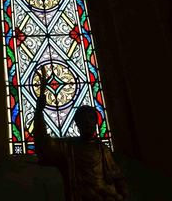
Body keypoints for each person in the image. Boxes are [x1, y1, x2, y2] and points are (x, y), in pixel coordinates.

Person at [34, 67, 128, 201]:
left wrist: (122, 194)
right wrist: (39, 111)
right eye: (83, 119)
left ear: (96, 122)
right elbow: (44, 145)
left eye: (91, 119)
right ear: (77, 124)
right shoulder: (68, 147)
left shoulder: (103, 150)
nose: (88, 123)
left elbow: (117, 177)